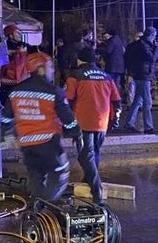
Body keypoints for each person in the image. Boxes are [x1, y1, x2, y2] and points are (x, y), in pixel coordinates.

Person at [7, 52, 81, 203]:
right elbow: (67, 118)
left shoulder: (15, 91)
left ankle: (35, 208)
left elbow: (5, 118)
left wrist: (9, 135)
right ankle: (47, 205)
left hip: (26, 145)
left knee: (36, 176)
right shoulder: (53, 91)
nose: (52, 71)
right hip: (48, 142)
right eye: (50, 67)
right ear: (40, 69)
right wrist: (76, 132)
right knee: (60, 173)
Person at [65, 47, 122, 204]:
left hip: (83, 122)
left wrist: (67, 123)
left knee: (85, 155)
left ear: (79, 59)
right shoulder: (107, 76)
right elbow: (116, 100)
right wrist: (114, 119)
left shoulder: (75, 76)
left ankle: (96, 189)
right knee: (94, 152)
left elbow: (68, 100)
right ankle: (88, 179)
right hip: (102, 122)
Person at [123, 26, 158, 134]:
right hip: (143, 75)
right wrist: (157, 47)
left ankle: (129, 123)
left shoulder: (137, 45)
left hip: (139, 74)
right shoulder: (144, 46)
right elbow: (152, 59)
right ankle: (148, 127)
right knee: (147, 102)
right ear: (152, 35)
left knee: (138, 101)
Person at [100, 30, 126, 101]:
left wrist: (99, 49)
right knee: (117, 83)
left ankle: (111, 98)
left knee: (110, 82)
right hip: (119, 66)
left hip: (112, 66)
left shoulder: (111, 41)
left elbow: (108, 51)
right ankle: (117, 98)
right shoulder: (119, 40)